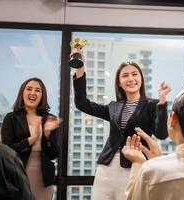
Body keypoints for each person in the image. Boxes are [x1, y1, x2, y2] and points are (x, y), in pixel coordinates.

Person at [72, 51, 171, 200]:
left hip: (134, 167)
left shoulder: (153, 105)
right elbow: (82, 104)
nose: (130, 79)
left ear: (141, 79)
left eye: (134, 74)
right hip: (106, 168)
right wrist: (79, 69)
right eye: (125, 76)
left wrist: (162, 102)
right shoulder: (113, 106)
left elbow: (162, 134)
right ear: (119, 82)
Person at [1, 77, 61, 200]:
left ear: (42, 96)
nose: (33, 93)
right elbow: (7, 152)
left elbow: (54, 154)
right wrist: (31, 140)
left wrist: (47, 135)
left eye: (38, 90)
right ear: (22, 93)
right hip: (17, 176)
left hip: (44, 179)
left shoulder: (50, 119)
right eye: (29, 89)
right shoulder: (11, 118)